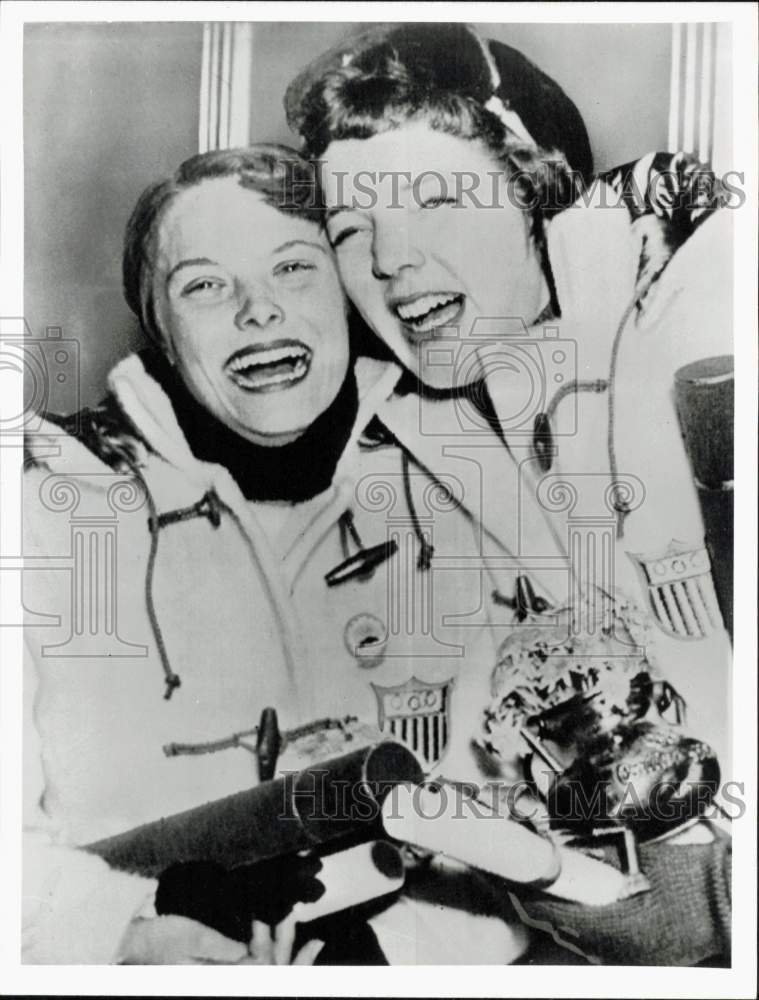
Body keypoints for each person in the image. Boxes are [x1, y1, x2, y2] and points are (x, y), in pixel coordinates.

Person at [23, 143, 542, 965]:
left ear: (347, 295)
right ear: (157, 328)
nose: (258, 312)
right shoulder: (44, 510)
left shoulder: (460, 489)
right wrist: (120, 936)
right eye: (203, 285)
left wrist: (386, 957)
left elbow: (513, 828)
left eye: (294, 269)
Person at [284, 23, 733, 964]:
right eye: (350, 228)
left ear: (533, 186)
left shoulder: (709, 353)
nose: (388, 261)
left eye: (435, 201)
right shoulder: (412, 448)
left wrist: (704, 905)